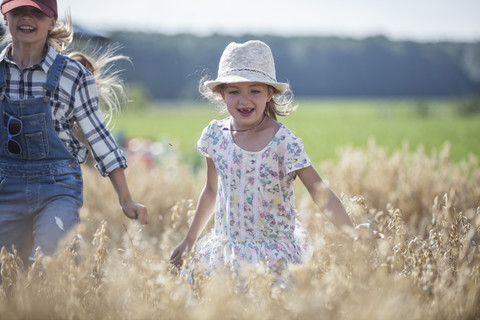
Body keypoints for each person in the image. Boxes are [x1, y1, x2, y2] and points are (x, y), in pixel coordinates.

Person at [170, 40, 378, 276]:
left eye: (255, 91)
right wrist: (190, 239)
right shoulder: (215, 136)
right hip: (225, 252)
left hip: (273, 257)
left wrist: (350, 232)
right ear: (222, 94)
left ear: (269, 93)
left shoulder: (283, 141)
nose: (244, 100)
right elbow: (211, 190)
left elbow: (319, 192)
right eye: (234, 91)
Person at [0, 0, 148, 267]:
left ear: (51, 21)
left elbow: (99, 136)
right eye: (18, 10)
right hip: (5, 185)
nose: (27, 18)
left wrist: (125, 198)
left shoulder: (73, 75)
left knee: (57, 251)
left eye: (37, 12)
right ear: (5, 16)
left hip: (57, 184)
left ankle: (75, 289)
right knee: (9, 270)